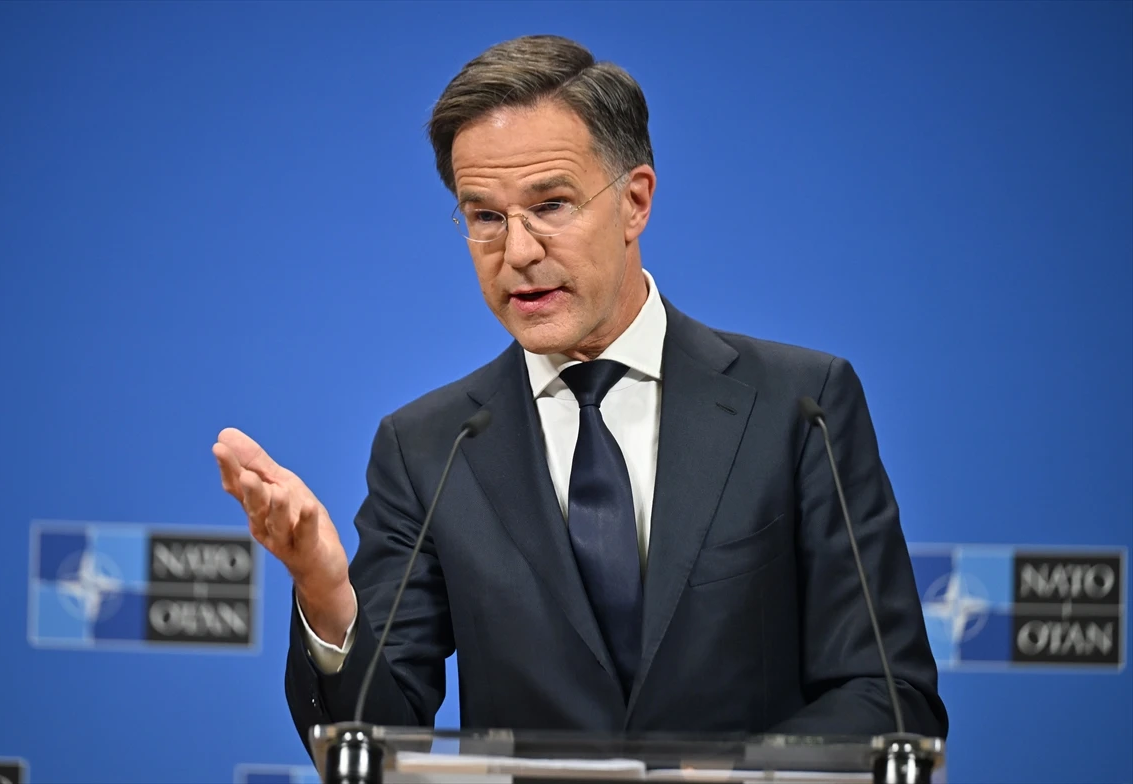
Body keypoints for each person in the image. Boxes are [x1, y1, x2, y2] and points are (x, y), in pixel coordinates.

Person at [212, 34, 949, 754]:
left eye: (552, 204)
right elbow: (377, 743)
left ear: (635, 201)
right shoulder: (427, 449)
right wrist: (325, 594)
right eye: (485, 216)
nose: (518, 251)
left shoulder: (800, 406)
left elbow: (889, 698)